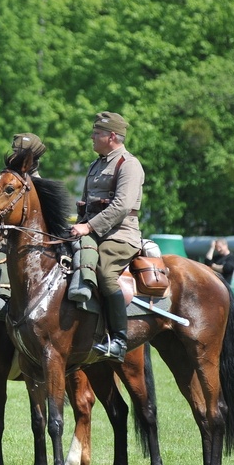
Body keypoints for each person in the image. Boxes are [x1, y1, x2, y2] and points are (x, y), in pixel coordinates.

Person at [69, 111, 144, 363]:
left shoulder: (129, 164)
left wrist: (88, 228)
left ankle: (119, 340)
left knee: (103, 271)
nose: (92, 137)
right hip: (91, 230)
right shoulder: (96, 164)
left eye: (97, 133)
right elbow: (87, 204)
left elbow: (121, 206)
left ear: (112, 136)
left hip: (121, 235)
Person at [0, 132, 47, 319]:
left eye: (18, 152)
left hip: (25, 246)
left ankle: (1, 306)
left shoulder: (39, 187)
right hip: (2, 239)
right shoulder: (6, 181)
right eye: (14, 151)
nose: (14, 156)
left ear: (31, 159)